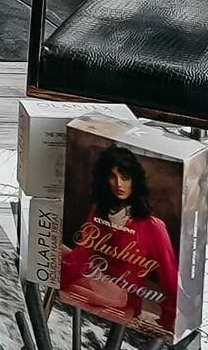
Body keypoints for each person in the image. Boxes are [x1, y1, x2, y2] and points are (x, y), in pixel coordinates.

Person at [59, 140, 179, 335]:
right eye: (113, 177)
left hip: (122, 296)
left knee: (68, 275)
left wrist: (168, 320)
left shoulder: (153, 226)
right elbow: (81, 254)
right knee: (58, 249)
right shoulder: (98, 211)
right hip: (95, 277)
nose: (119, 185)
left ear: (134, 181)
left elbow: (170, 277)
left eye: (125, 177)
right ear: (105, 180)